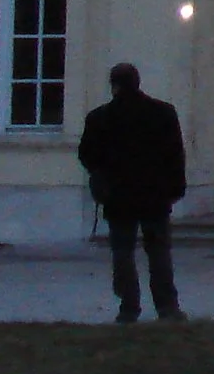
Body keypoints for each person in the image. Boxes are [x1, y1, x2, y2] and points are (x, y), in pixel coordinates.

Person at [76, 63, 188, 323]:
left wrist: (102, 175)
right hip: (155, 193)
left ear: (114, 85)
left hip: (118, 195)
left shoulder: (100, 118)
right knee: (159, 251)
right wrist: (176, 187)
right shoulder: (163, 113)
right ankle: (167, 306)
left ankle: (129, 306)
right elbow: (175, 155)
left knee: (123, 251)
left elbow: (87, 155)